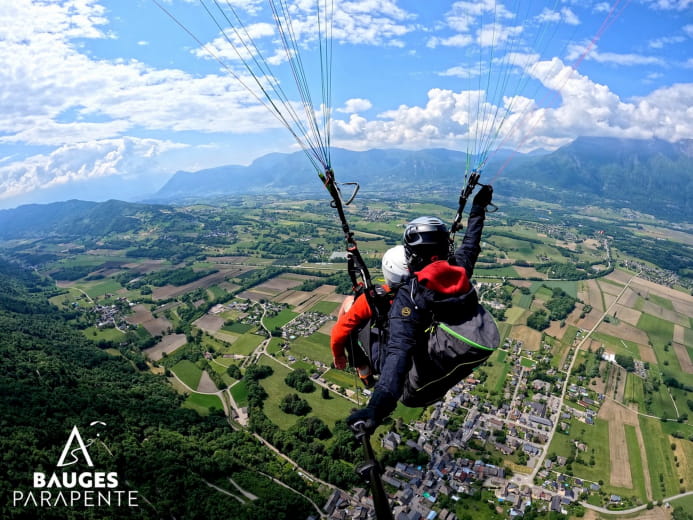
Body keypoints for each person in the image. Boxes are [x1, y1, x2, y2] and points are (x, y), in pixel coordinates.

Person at [347, 184, 494, 433]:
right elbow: (472, 242)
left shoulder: (412, 294)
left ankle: (364, 372)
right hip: (438, 370)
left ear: (413, 254)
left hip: (408, 387)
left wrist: (377, 408)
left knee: (357, 325)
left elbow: (399, 351)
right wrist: (478, 208)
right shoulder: (461, 269)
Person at [330, 245, 410, 386]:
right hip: (414, 357)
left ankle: (364, 369)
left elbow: (338, 333)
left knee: (349, 311)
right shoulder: (424, 296)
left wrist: (339, 355)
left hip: (385, 359)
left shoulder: (372, 299)